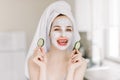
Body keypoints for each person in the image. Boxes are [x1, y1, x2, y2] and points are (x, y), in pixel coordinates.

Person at [25, 1, 87, 80]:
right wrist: (42, 67)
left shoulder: (80, 63)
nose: (63, 35)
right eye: (57, 29)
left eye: (68, 29)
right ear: (49, 32)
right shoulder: (34, 61)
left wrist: (71, 69)